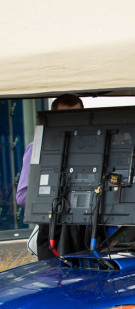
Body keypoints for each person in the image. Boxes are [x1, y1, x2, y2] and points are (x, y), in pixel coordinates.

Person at [16, 94, 84, 260]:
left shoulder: (96, 147)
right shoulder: (37, 148)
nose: (70, 122)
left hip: (87, 233)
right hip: (53, 232)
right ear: (53, 118)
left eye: (75, 116)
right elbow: (23, 196)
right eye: (64, 116)